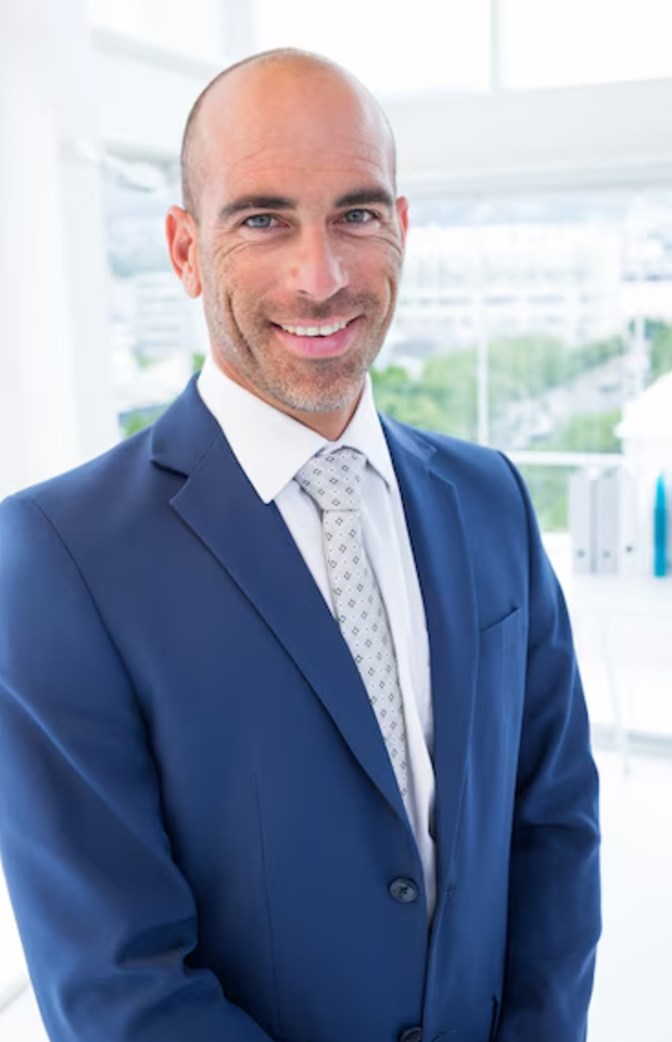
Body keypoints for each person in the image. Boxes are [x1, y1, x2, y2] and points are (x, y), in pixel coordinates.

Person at [0, 49, 600, 1042]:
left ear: (401, 229)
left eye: (355, 215)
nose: (320, 277)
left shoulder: (490, 496)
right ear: (185, 250)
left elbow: (554, 830)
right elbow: (117, 985)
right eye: (263, 220)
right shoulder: (56, 557)